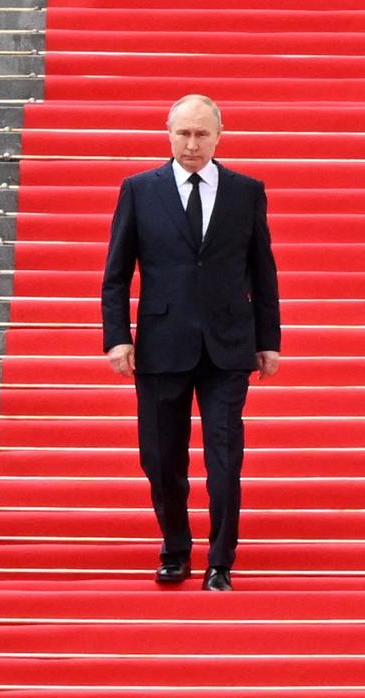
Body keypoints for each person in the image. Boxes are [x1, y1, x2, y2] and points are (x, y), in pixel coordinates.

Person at [101, 94, 281, 591]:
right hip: (161, 344)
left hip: (228, 344)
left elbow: (263, 271)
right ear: (168, 133)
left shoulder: (246, 191)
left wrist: (269, 340)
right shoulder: (139, 190)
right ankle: (176, 549)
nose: (192, 144)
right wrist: (117, 338)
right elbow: (116, 273)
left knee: (226, 457)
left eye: (202, 134)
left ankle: (221, 561)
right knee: (160, 457)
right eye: (183, 133)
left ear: (220, 136)